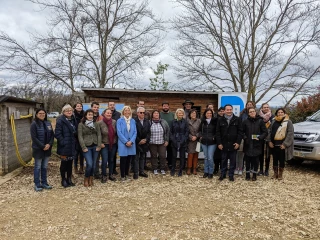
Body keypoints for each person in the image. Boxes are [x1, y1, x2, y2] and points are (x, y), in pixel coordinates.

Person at [216, 104, 243, 181]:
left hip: (233, 144)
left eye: (230, 109)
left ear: (232, 110)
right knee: (223, 160)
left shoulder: (237, 119)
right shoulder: (220, 120)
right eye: (227, 110)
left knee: (233, 161)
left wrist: (238, 142)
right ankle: (223, 174)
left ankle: (231, 175)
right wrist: (219, 143)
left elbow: (240, 132)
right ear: (224, 111)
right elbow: (217, 132)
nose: (229, 111)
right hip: (223, 144)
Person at [30, 109, 54, 191]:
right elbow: (34, 137)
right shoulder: (34, 124)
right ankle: (37, 184)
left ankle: (44, 183)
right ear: (36, 114)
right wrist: (42, 146)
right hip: (38, 149)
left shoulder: (48, 123)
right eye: (40, 113)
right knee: (37, 167)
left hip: (47, 148)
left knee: (44, 166)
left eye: (43, 113)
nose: (42, 114)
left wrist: (49, 144)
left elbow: (52, 135)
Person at [267, 108, 294, 180]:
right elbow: (269, 131)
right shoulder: (273, 121)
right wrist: (269, 141)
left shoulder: (288, 122)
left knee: (282, 160)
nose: (280, 113)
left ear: (284, 113)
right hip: (274, 144)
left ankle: (280, 174)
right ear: (276, 113)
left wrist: (285, 144)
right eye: (278, 112)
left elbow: (290, 133)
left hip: (282, 145)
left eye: (282, 112)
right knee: (274, 159)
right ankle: (275, 173)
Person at [55, 104, 77, 188]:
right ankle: (63, 179)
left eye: (70, 110)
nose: (69, 112)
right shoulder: (60, 120)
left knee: (70, 163)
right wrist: (63, 142)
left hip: (72, 145)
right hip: (64, 146)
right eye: (67, 110)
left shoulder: (73, 120)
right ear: (63, 112)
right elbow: (57, 133)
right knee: (64, 163)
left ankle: (69, 179)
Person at [242, 107, 267, 181]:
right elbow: (241, 132)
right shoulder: (245, 121)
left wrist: (260, 137)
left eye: (253, 111)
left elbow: (265, 132)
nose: (252, 113)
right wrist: (245, 138)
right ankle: (247, 174)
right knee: (247, 160)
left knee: (255, 160)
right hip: (248, 144)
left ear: (256, 112)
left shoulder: (260, 121)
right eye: (250, 112)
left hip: (257, 144)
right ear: (248, 113)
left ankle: (254, 175)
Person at [117, 106, 137, 182]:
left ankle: (126, 174)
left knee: (128, 160)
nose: (127, 112)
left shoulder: (133, 121)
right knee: (123, 160)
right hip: (123, 143)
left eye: (128, 110)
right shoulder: (119, 120)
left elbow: (135, 132)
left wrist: (131, 141)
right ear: (123, 112)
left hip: (131, 143)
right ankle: (122, 176)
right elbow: (119, 132)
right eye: (125, 110)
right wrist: (126, 142)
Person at [235, 101, 256, 175]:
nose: (249, 106)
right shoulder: (242, 115)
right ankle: (241, 167)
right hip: (243, 137)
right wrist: (243, 136)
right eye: (248, 105)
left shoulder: (257, 116)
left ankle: (252, 168)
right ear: (246, 106)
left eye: (251, 105)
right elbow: (240, 127)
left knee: (251, 154)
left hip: (254, 138)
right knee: (241, 153)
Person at [98, 108, 117, 183]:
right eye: (107, 113)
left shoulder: (114, 122)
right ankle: (104, 175)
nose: (109, 114)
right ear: (104, 114)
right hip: (104, 144)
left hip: (113, 144)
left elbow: (116, 132)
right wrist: (100, 143)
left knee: (111, 160)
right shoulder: (100, 123)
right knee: (104, 160)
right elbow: (98, 134)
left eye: (110, 113)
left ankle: (111, 174)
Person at [149, 110, 170, 175]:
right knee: (154, 156)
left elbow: (167, 131)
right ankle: (155, 168)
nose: (156, 114)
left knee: (162, 156)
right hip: (152, 143)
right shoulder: (149, 122)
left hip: (162, 142)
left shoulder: (163, 122)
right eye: (155, 113)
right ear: (152, 115)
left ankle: (162, 168)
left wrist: (167, 140)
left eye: (157, 113)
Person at [199, 108, 217, 179]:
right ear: (205, 114)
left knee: (210, 157)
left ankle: (211, 172)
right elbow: (200, 130)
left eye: (210, 113)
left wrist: (214, 137)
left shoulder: (215, 122)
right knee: (206, 157)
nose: (209, 114)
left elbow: (217, 131)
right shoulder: (203, 122)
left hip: (212, 142)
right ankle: (206, 171)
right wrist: (201, 136)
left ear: (212, 114)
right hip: (204, 141)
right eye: (207, 113)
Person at [170, 108, 189, 177]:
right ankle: (173, 169)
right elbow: (171, 132)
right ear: (176, 114)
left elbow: (187, 132)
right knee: (174, 156)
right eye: (179, 113)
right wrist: (173, 139)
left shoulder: (185, 122)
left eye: (181, 113)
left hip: (182, 141)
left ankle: (181, 170)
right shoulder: (173, 122)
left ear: (183, 114)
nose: (180, 114)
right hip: (174, 140)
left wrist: (183, 140)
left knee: (182, 156)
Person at [134, 106, 151, 179]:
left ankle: (141, 171)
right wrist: (139, 140)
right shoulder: (134, 121)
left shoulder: (147, 121)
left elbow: (149, 132)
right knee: (136, 158)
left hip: (144, 142)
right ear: (137, 113)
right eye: (141, 112)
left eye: (144, 112)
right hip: (137, 142)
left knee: (142, 157)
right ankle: (136, 172)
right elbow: (133, 132)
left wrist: (145, 139)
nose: (142, 114)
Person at [258, 103, 275, 176]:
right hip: (261, 137)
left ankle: (267, 170)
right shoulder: (258, 117)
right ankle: (261, 169)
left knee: (268, 154)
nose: (266, 108)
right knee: (260, 154)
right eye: (264, 107)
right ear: (262, 108)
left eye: (267, 107)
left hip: (269, 138)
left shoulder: (273, 117)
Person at [160, 102, 175, 168]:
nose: (165, 107)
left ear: (169, 107)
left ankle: (170, 163)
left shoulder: (172, 114)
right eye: (164, 106)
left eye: (166, 106)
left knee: (170, 151)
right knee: (161, 151)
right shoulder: (159, 114)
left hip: (170, 135)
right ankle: (160, 164)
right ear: (162, 107)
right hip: (161, 135)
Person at [187, 109, 201, 175]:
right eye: (192, 113)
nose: (193, 114)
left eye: (194, 113)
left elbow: (201, 130)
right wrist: (191, 137)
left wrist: (196, 136)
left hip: (197, 140)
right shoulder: (187, 121)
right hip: (190, 140)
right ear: (190, 114)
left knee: (196, 154)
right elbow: (185, 131)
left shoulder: (199, 121)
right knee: (190, 154)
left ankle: (194, 168)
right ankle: (189, 168)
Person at [108, 101, 121, 176]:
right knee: (109, 156)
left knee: (114, 155)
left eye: (113, 105)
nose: (112, 106)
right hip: (107, 138)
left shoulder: (118, 114)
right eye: (110, 105)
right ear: (108, 106)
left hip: (115, 137)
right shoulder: (104, 113)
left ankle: (113, 169)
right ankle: (109, 169)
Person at [73, 102, 85, 174]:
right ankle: (75, 167)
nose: (79, 107)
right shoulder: (73, 115)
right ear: (75, 107)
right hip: (75, 137)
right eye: (78, 106)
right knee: (75, 154)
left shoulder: (84, 115)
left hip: (83, 136)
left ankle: (81, 167)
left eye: (80, 106)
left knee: (82, 153)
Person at [213, 107, 225, 174]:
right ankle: (216, 168)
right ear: (218, 112)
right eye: (220, 111)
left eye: (223, 111)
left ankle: (223, 169)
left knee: (223, 156)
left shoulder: (226, 119)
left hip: (224, 139)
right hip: (216, 139)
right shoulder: (215, 119)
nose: (221, 112)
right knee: (216, 156)